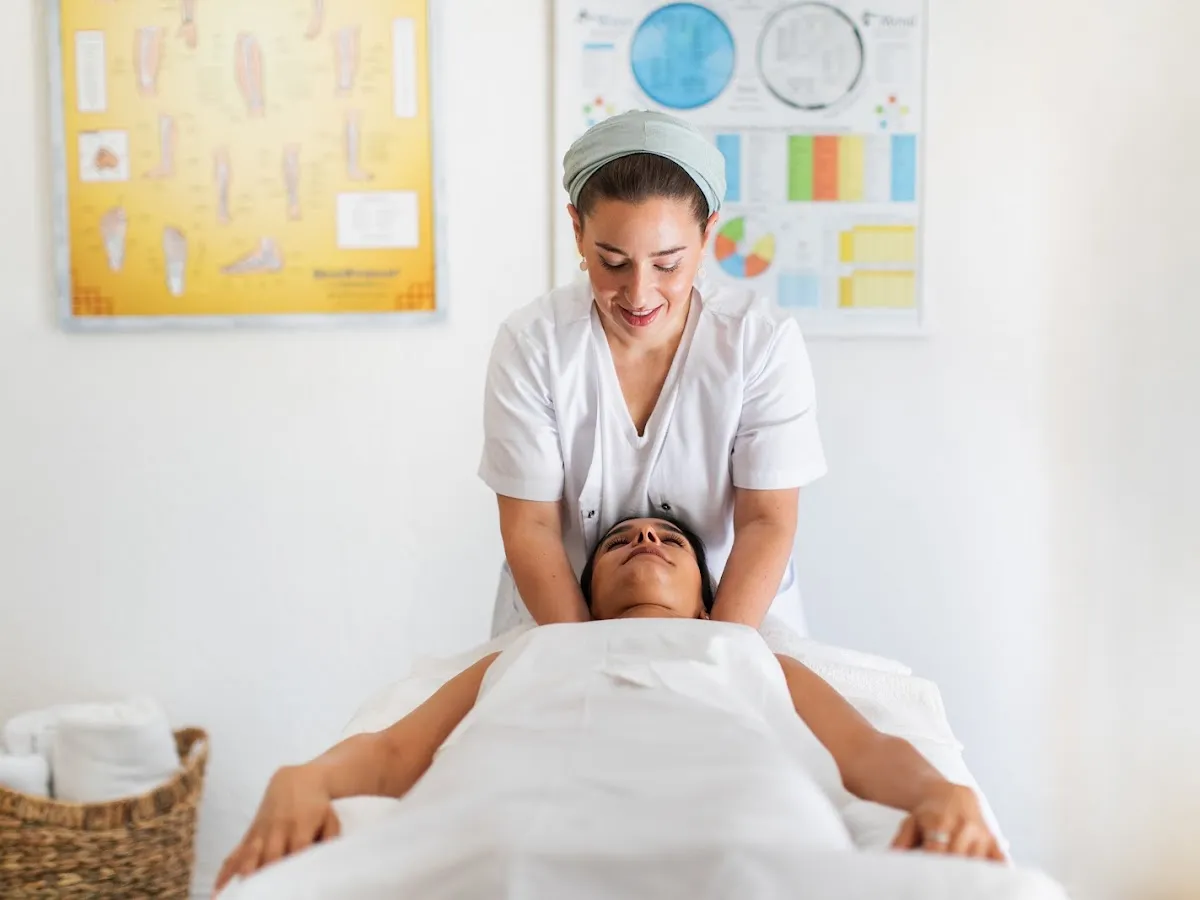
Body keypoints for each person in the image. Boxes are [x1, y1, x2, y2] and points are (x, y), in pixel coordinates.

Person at [214, 517, 1003, 895]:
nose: (647, 541)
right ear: (586, 597)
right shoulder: (531, 649)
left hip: (734, 813)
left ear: (706, 603)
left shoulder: (747, 652)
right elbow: (393, 754)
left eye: (670, 541)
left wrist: (940, 792)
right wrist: (303, 779)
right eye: (622, 541)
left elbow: (865, 753)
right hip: (510, 814)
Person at [480, 109, 826, 638]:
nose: (639, 295)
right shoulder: (533, 345)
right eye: (613, 262)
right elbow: (532, 526)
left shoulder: (759, 343)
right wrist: (581, 658)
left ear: (708, 234)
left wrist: (718, 654)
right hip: (561, 623)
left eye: (667, 264)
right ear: (577, 230)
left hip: (736, 617)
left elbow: (767, 519)